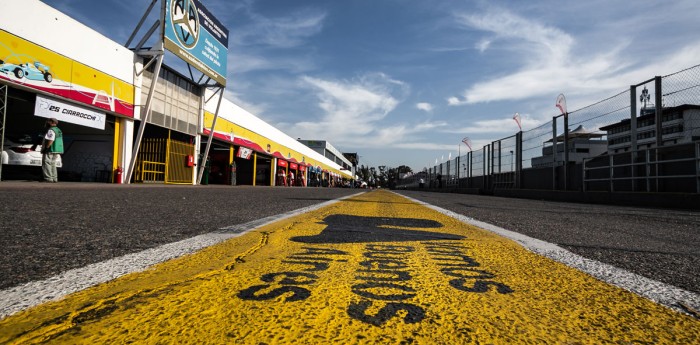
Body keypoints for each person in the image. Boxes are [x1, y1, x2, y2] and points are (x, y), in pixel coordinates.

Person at [40, 118, 63, 183]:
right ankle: (54, 178)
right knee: (53, 164)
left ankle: (48, 178)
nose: (47, 122)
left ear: (52, 122)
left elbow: (51, 140)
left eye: (48, 121)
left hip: (51, 149)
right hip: (57, 149)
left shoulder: (51, 130)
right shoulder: (58, 130)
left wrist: (46, 148)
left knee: (47, 163)